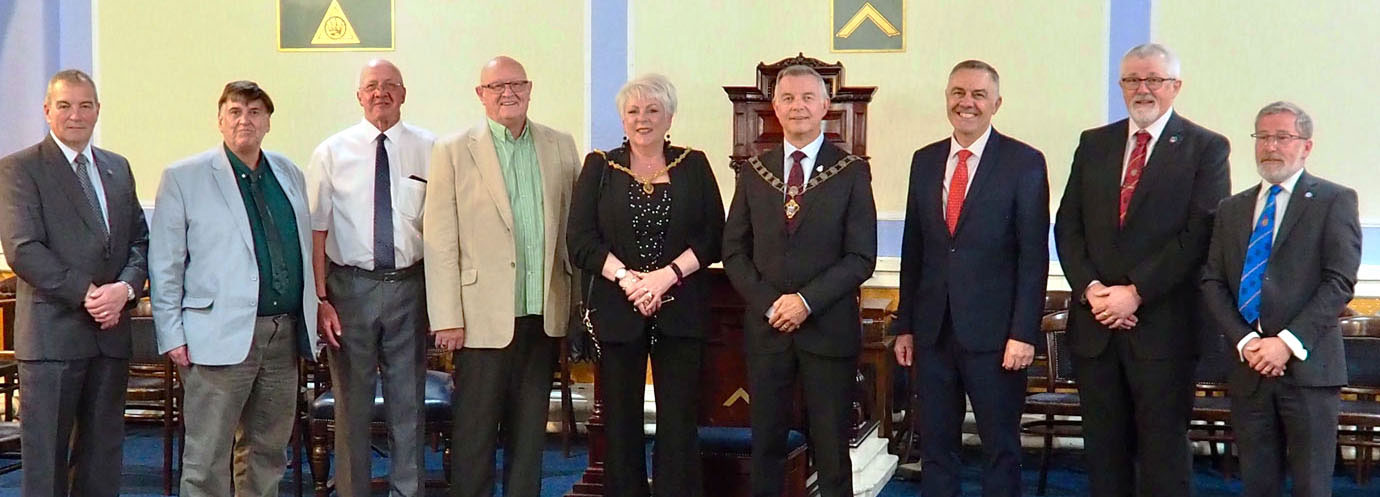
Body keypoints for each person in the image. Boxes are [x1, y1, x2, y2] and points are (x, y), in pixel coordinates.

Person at [1053, 43, 1231, 496]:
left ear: (1175, 87)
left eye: (1154, 79)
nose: (1143, 89)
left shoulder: (1206, 148)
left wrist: (1135, 291)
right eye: (1132, 80)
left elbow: (1199, 234)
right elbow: (1067, 224)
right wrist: (1092, 289)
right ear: (1120, 86)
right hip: (1096, 329)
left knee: (1162, 457)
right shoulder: (1094, 143)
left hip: (1163, 330)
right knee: (1103, 454)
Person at [149, 80, 322, 497]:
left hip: (282, 335)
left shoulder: (289, 172)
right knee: (207, 458)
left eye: (255, 112)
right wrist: (172, 333)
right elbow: (166, 263)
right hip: (216, 336)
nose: (245, 120)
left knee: (268, 452)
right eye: (235, 111)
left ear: (267, 122)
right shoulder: (184, 177)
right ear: (220, 120)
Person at [423, 55, 581, 497]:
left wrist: (575, 306)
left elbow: (574, 228)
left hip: (543, 311)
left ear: (530, 89)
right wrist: (446, 317)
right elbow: (439, 240)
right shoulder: (453, 150)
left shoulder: (561, 145)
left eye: (516, 84)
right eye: (496, 86)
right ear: (481, 94)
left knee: (530, 437)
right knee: (475, 436)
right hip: (478, 320)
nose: (507, 93)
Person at [891, 60, 1048, 497]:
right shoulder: (924, 162)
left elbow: (1034, 257)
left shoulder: (1024, 163)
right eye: (958, 92)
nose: (967, 102)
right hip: (933, 332)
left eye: (979, 94)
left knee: (1000, 448)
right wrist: (905, 324)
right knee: (937, 448)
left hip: (997, 338)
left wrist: (1023, 333)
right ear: (947, 99)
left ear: (997, 103)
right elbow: (914, 249)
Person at [722, 64, 877, 497]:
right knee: (767, 444)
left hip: (827, 331)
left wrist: (805, 302)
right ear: (775, 107)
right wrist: (772, 304)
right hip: (767, 331)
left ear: (825, 106)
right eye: (788, 98)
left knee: (831, 448)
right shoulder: (755, 171)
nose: (798, 107)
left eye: (808, 97)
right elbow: (733, 251)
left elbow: (861, 256)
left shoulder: (850, 171)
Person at [567, 73, 725, 497]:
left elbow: (713, 236)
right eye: (633, 111)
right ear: (622, 118)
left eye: (652, 110)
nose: (643, 119)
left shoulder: (693, 164)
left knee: (678, 419)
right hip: (617, 307)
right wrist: (627, 279)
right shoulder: (600, 165)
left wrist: (665, 276)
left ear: (669, 116)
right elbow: (580, 241)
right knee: (620, 420)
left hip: (680, 305)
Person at [0, 68, 149, 497]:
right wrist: (88, 294)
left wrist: (123, 290)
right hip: (52, 340)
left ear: (98, 111)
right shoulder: (20, 169)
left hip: (110, 336)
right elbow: (24, 250)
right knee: (46, 464)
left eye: (85, 105)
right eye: (64, 106)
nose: (76, 115)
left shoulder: (117, 169)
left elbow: (139, 240)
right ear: (47, 111)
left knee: (102, 461)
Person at [1202, 101, 1360, 497]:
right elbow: (1212, 281)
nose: (1271, 146)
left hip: (1309, 370)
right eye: (1263, 137)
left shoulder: (1333, 201)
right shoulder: (1232, 208)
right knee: (1257, 484)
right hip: (1249, 368)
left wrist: (1285, 343)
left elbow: (1338, 282)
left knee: (1310, 486)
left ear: (1306, 146)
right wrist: (1247, 342)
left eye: (1283, 137)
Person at [306, 58, 436, 497]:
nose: (381, 93)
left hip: (409, 287)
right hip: (349, 291)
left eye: (390, 86)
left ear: (404, 93)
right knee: (352, 407)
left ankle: (407, 492)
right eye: (371, 86)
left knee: (408, 405)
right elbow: (317, 232)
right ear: (359, 96)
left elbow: (442, 229)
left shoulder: (431, 149)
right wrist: (321, 299)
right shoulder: (331, 152)